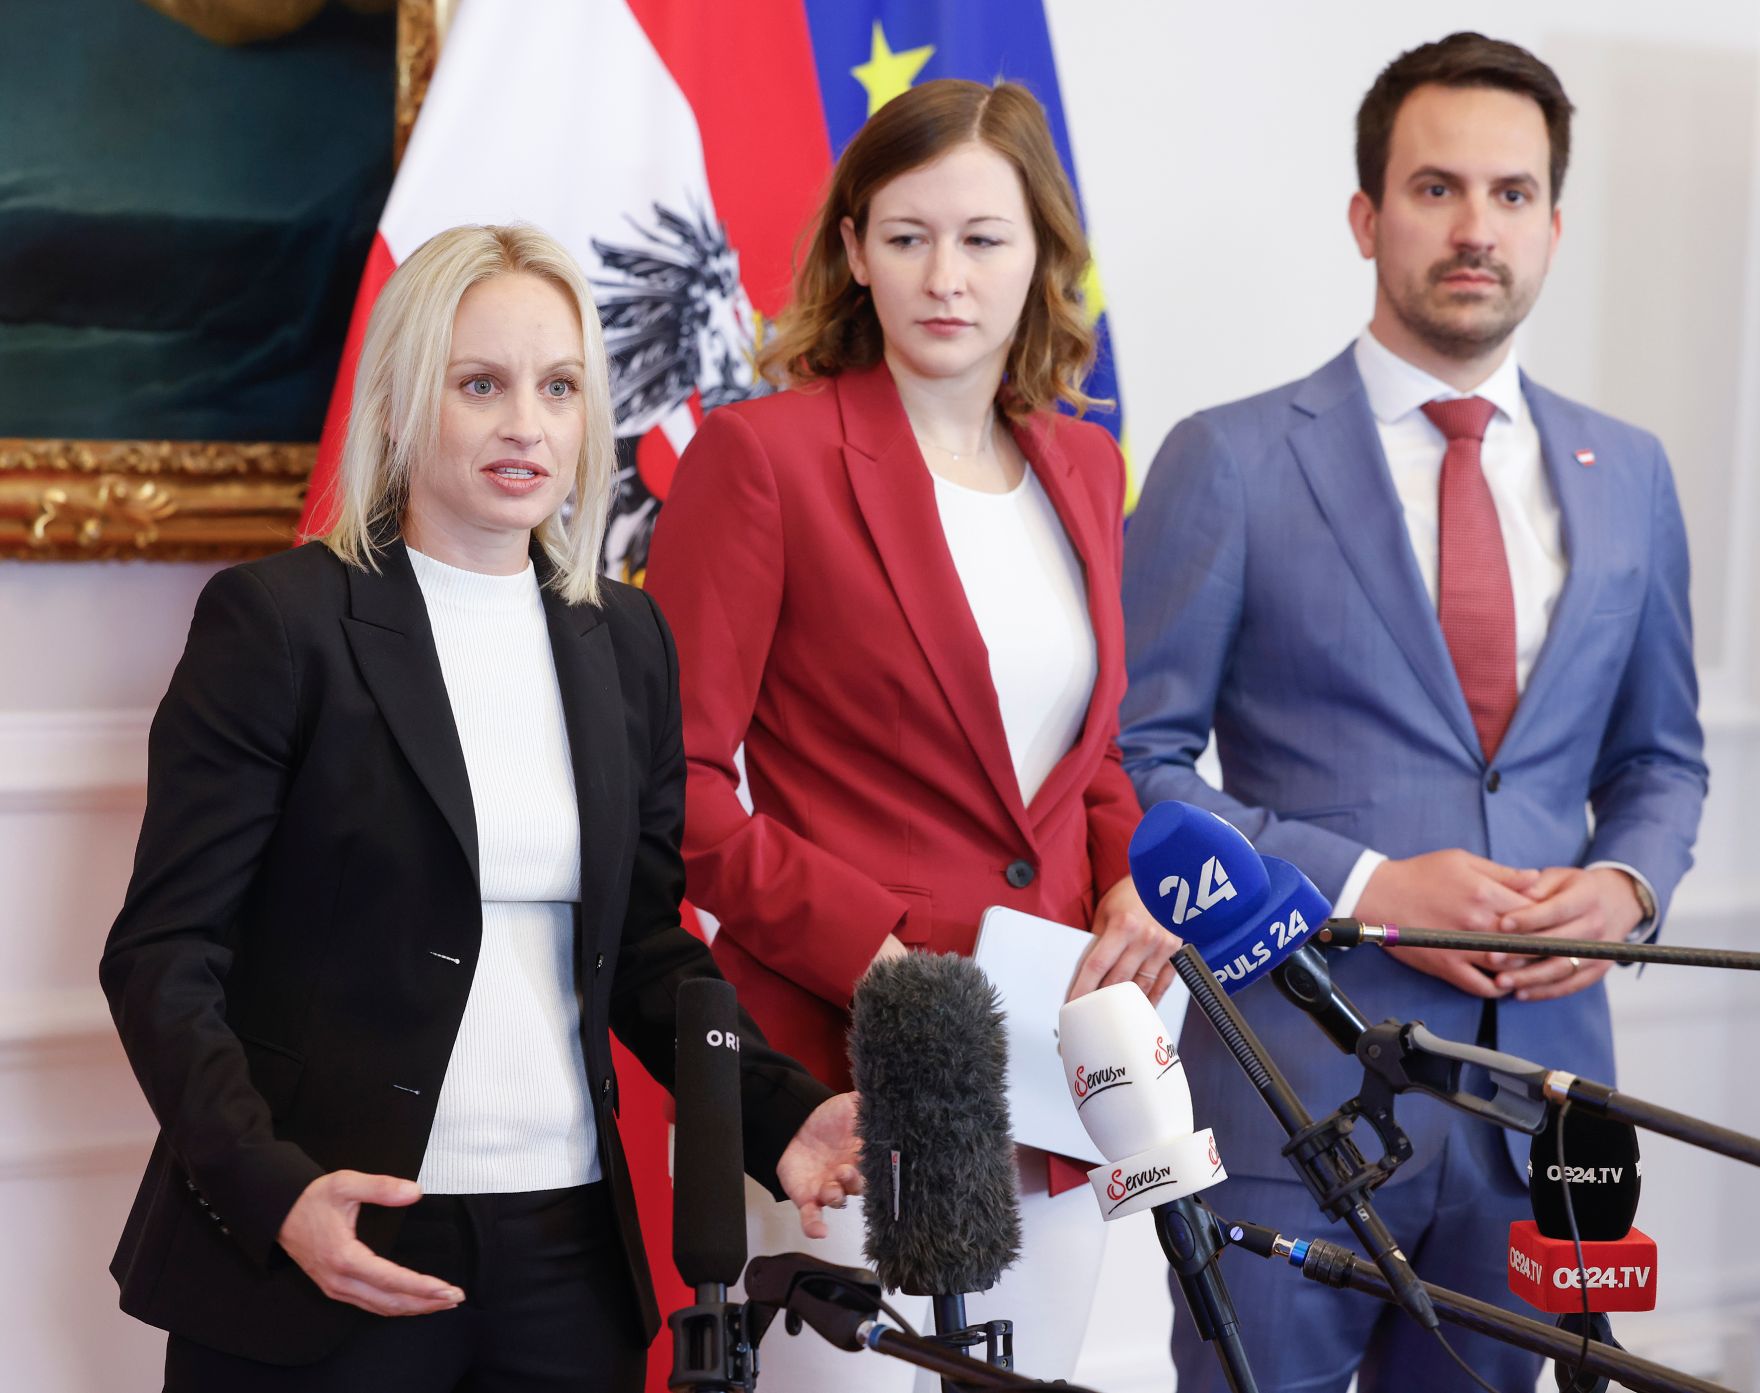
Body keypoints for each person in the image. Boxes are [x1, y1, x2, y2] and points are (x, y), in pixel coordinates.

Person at [99, 223, 861, 1393]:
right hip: (323, 1254)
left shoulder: (626, 639)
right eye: (480, 385)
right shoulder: (278, 625)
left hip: (566, 1258)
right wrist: (275, 1189)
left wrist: (778, 1118)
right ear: (404, 403)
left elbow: (648, 947)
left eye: (558, 387)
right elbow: (162, 954)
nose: (527, 423)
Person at [1121, 32, 1707, 1392]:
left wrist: (1626, 885)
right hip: (1293, 1096)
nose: (1474, 228)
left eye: (1511, 195)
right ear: (1366, 214)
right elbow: (1143, 762)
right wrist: (1373, 883)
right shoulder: (1232, 456)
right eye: (1436, 188)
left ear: (1555, 227)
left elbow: (1662, 758)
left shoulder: (1632, 475)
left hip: (1541, 1111)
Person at [642, 79, 1164, 1390]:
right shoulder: (763, 459)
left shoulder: (1087, 467)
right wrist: (878, 961)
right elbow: (679, 790)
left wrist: (1129, 886)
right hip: (847, 1075)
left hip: (1057, 1075)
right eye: (907, 235)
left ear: (1041, 252)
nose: (947, 275)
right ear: (855, 250)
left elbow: (1086, 758)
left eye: (984, 238)